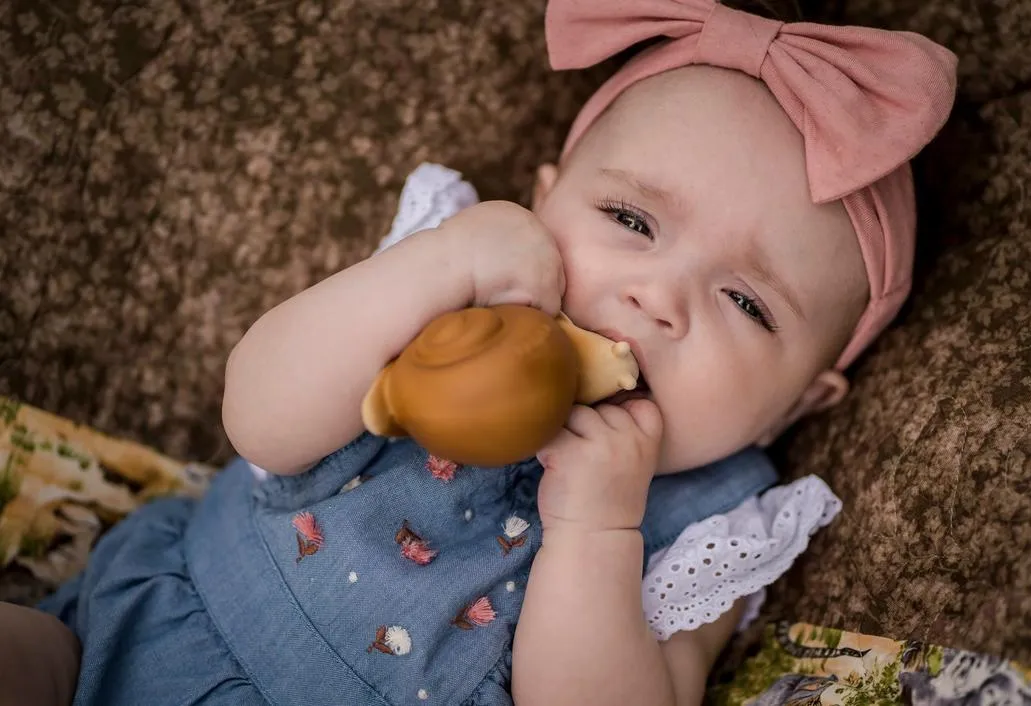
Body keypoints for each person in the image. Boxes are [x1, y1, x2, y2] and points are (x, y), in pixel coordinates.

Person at [38, 0, 957, 703]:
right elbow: (259, 420)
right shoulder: (442, 292)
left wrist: (599, 531)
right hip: (149, 617)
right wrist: (444, 262)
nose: (657, 297)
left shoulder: (715, 524)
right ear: (542, 201)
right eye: (630, 219)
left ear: (805, 399)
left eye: (748, 302)